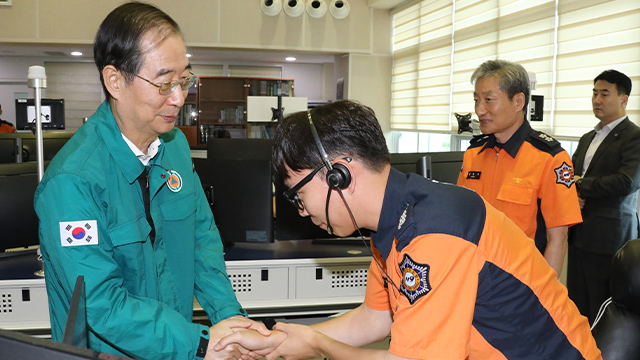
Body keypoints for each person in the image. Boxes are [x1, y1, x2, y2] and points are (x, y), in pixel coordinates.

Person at [215, 100, 601, 359]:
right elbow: (374, 318)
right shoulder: (394, 219)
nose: (299, 210)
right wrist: (278, 341)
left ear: (338, 173)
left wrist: (317, 344)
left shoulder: (435, 231)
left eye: (298, 192)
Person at [34, 3, 267, 359]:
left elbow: (201, 243)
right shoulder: (72, 182)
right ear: (115, 81)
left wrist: (231, 319)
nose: (178, 98)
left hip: (178, 347)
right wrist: (201, 344)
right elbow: (101, 304)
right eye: (163, 83)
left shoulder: (174, 149)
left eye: (183, 79)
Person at [456, 59, 582, 276]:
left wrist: (542, 298)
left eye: (488, 100)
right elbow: (460, 220)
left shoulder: (550, 158)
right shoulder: (473, 154)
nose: (479, 110)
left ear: (518, 102)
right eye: (476, 100)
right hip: (472, 276)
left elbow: (557, 240)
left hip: (520, 284)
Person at [568, 69, 640, 324]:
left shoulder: (634, 136)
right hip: (578, 233)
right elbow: (569, 177)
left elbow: (627, 181)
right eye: (595, 93)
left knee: (604, 308)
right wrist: (572, 193)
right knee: (577, 305)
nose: (597, 100)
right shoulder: (588, 137)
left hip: (610, 237)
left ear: (624, 99)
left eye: (605, 94)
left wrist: (581, 186)